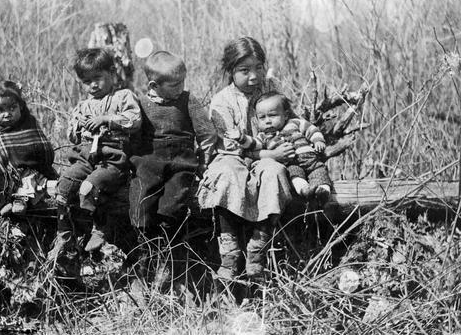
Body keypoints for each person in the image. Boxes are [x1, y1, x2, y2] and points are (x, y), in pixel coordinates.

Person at [197, 37, 294, 283]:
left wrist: (276, 152)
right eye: (244, 70)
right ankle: (229, 250)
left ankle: (258, 248)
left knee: (273, 172)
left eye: (258, 68)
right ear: (230, 71)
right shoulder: (223, 100)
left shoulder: (271, 87)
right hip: (234, 156)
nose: (253, 76)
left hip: (269, 152)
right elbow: (230, 146)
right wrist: (267, 154)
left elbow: (290, 120)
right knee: (227, 174)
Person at [129, 51, 217, 286]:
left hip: (182, 160)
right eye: (175, 84)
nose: (181, 87)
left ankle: (168, 256)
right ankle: (146, 254)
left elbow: (207, 133)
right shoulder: (140, 103)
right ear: (153, 85)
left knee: (173, 203)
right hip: (149, 160)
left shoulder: (188, 101)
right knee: (141, 199)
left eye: (183, 82)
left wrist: (204, 161)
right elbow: (133, 135)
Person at [55, 47, 141, 253]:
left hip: (111, 158)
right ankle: (64, 234)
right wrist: (79, 125)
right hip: (85, 158)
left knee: (91, 187)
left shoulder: (122, 96)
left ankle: (100, 229)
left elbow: (135, 119)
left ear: (112, 73)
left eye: (98, 78)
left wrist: (107, 120)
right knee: (65, 185)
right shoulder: (82, 106)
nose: (93, 85)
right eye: (86, 81)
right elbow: (71, 136)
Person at [0, 81, 58, 215]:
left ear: (20, 107)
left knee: (29, 179)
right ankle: (1, 202)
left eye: (12, 108)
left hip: (25, 171)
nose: (7, 114)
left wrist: (22, 163)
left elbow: (43, 151)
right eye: (0, 110)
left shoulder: (28, 123)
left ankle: (20, 202)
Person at [231, 91, 331, 203]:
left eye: (272, 115)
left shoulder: (295, 123)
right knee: (295, 176)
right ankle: (305, 190)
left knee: (320, 172)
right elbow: (253, 144)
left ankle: (323, 192)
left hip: (312, 161)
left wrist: (318, 141)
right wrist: (242, 138)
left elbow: (311, 130)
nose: (268, 121)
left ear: (286, 115)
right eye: (262, 117)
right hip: (291, 164)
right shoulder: (264, 136)